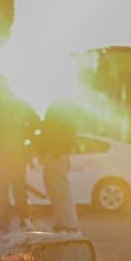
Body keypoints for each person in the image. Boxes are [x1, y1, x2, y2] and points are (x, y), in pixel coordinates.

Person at [0, 75, 40, 232]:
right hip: (16, 156)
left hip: (0, 157)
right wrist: (28, 143)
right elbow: (36, 122)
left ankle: (5, 224)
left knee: (2, 191)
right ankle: (24, 221)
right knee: (18, 190)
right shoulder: (18, 104)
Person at [38, 100, 80, 233]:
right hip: (57, 156)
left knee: (60, 191)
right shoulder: (65, 122)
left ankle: (68, 222)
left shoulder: (58, 122)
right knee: (56, 191)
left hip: (55, 157)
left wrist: (50, 153)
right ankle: (63, 222)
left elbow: (54, 139)